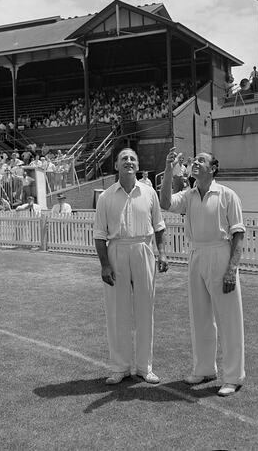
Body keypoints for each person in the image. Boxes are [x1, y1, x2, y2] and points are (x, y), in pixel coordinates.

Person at [160, 147, 246, 397]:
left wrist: (232, 269)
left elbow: (238, 234)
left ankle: (233, 376)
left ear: (213, 168)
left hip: (221, 254)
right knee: (200, 316)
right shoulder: (189, 195)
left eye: (201, 160)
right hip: (196, 255)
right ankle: (204, 368)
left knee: (229, 319)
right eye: (195, 160)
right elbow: (165, 203)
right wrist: (168, 169)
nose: (195, 163)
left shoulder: (228, 195)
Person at [93, 148, 168, 385]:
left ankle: (144, 367)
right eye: (123, 158)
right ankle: (120, 367)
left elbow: (159, 226)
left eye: (132, 159)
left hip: (143, 249)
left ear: (137, 166)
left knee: (145, 310)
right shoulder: (106, 197)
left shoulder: (149, 193)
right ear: (116, 165)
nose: (128, 161)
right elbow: (99, 234)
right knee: (117, 312)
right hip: (116, 250)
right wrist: (105, 265)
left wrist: (162, 253)